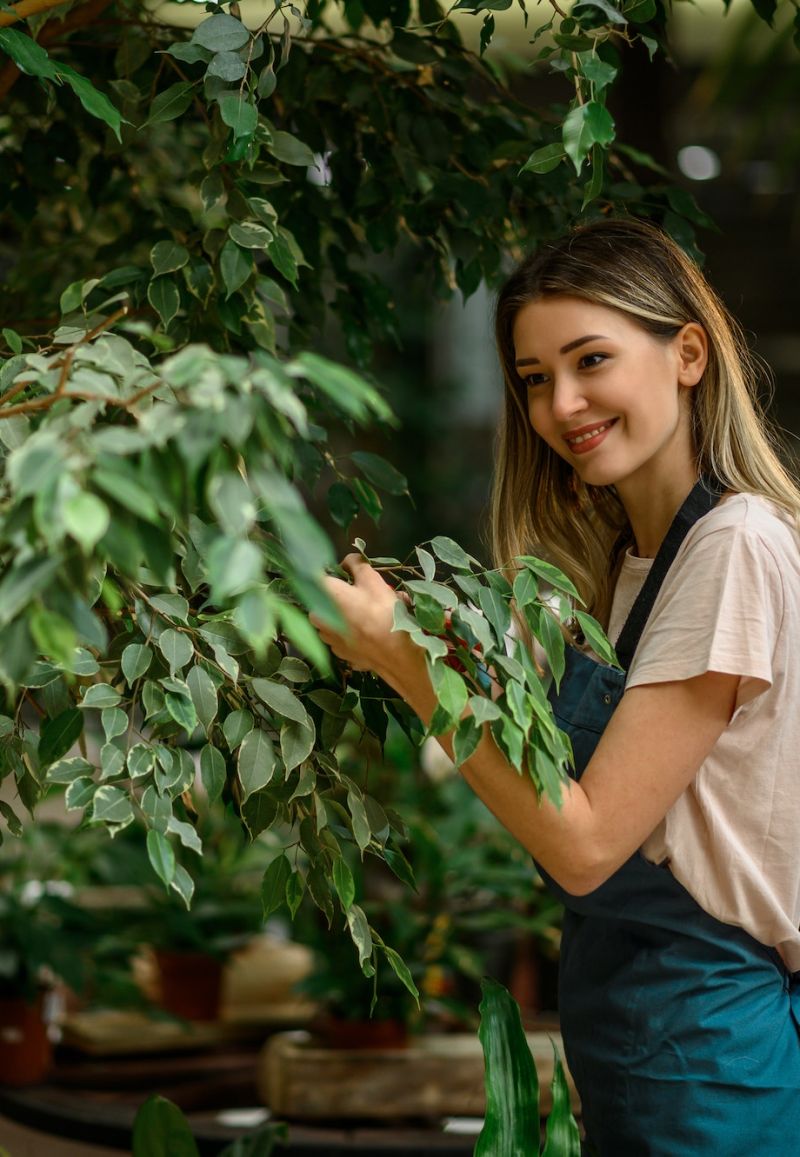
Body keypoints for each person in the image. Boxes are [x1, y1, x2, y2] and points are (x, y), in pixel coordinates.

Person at [310, 218, 800, 1155]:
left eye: (591, 360)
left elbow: (587, 845)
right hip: (639, 1037)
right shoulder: (632, 562)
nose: (562, 402)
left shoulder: (734, 544)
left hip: (713, 1057)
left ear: (688, 352)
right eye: (536, 380)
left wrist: (414, 672)